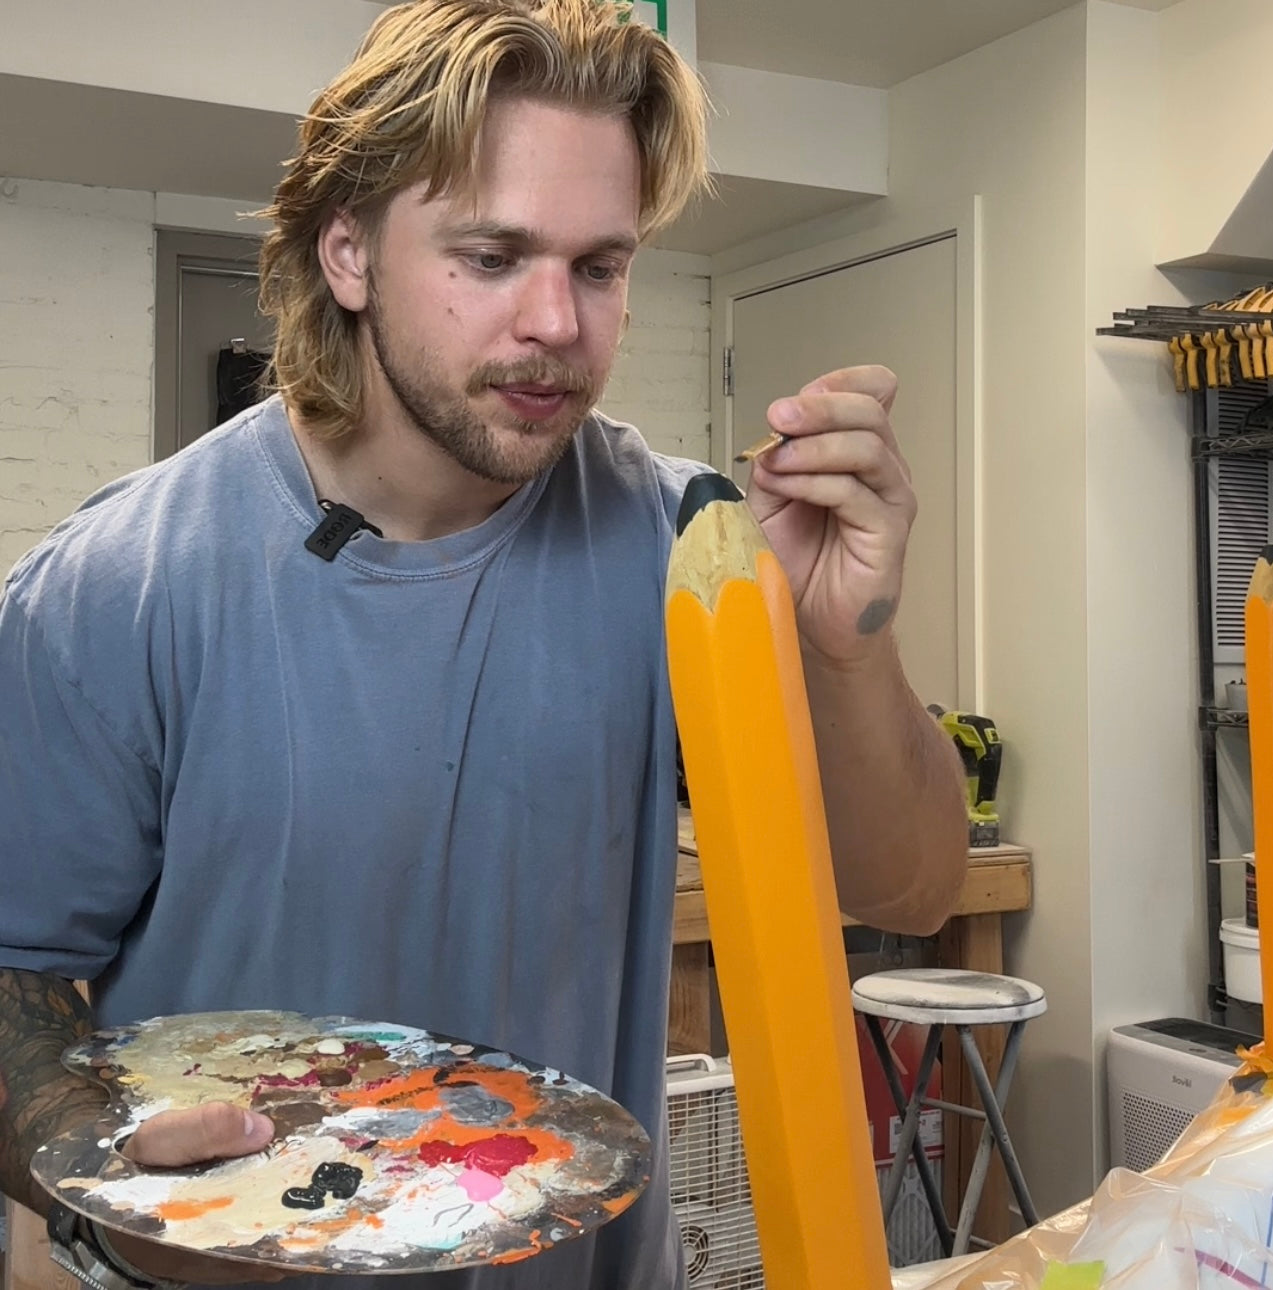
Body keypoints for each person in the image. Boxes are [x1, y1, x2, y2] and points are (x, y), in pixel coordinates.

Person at [0, 1, 967, 1287]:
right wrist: (104, 1156)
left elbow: (907, 890)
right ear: (349, 252)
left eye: (601, 266)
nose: (558, 323)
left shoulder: (683, 548)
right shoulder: (119, 585)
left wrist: (840, 652)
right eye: (493, 256)